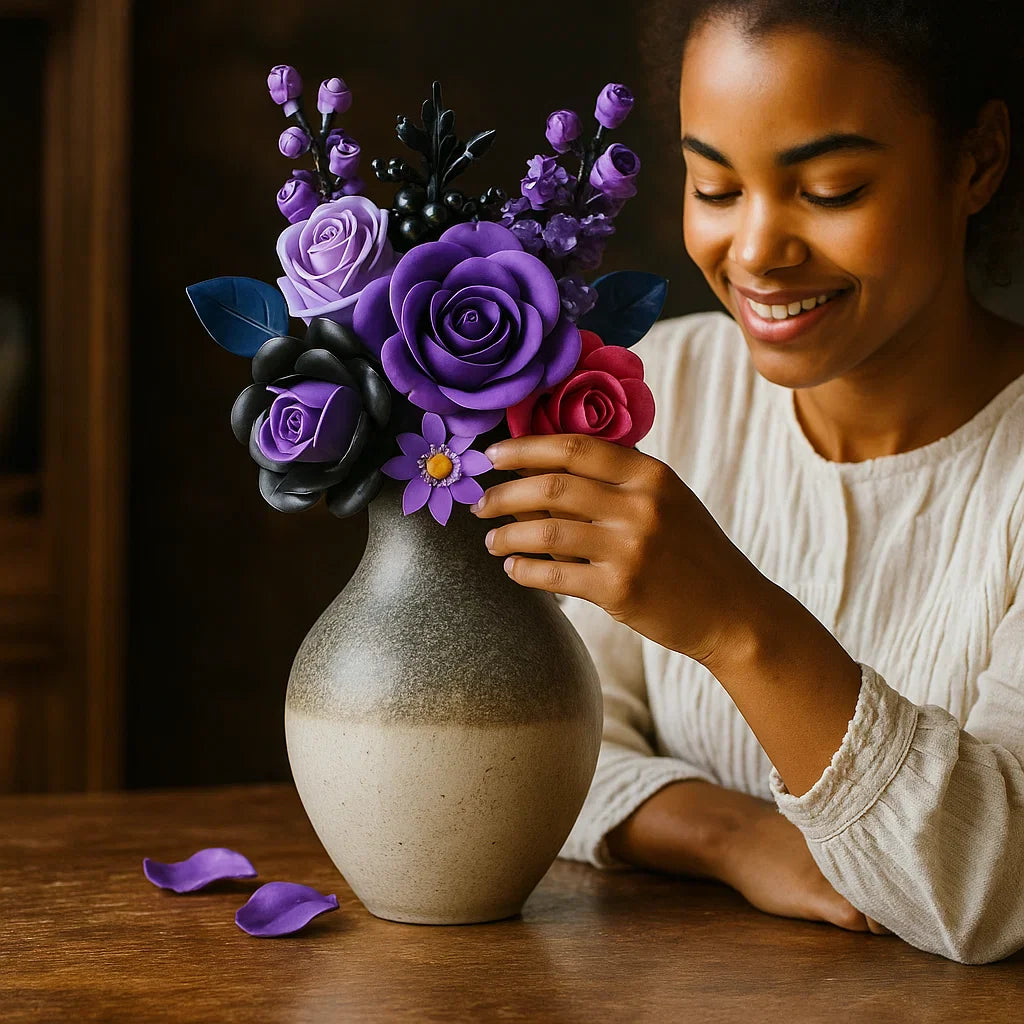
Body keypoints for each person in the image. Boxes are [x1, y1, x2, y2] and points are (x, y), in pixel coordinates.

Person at [469, 0, 1024, 964]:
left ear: (975, 160)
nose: (759, 250)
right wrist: (732, 837)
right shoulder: (656, 392)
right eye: (715, 188)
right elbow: (517, 751)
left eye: (832, 188)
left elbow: (993, 890)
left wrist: (733, 620)